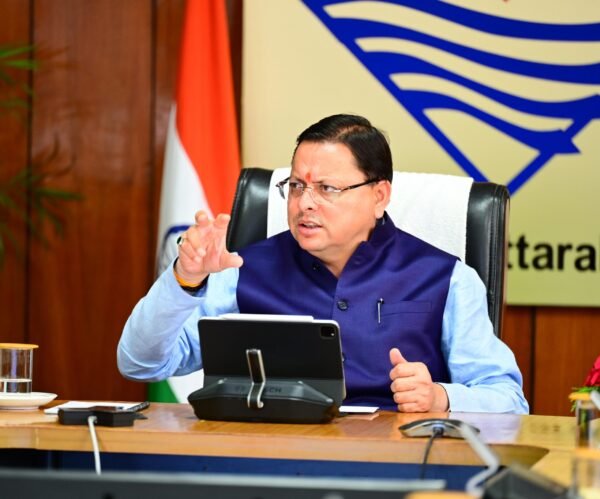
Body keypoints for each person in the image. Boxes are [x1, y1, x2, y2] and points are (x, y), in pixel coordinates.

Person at [118, 114, 528, 414]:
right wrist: (185, 279)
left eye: (327, 188)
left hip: (394, 468)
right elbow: (140, 363)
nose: (305, 203)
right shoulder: (242, 268)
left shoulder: (446, 278)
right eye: (297, 186)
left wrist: (441, 397)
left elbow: (508, 400)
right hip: (267, 462)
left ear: (379, 196)